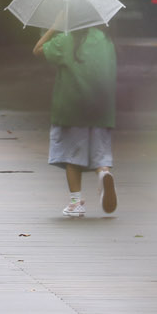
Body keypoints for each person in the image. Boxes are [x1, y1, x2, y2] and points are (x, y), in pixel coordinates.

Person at [35, 24, 118, 218]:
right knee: (101, 152)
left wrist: (54, 26)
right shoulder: (105, 40)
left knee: (72, 156)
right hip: (102, 108)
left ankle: (76, 202)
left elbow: (38, 50)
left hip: (72, 109)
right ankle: (103, 173)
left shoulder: (66, 39)